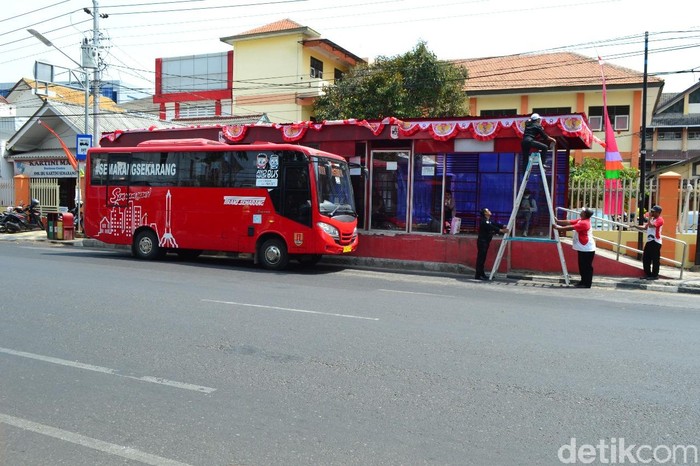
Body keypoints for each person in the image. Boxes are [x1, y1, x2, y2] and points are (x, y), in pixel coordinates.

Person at [553, 207, 596, 288]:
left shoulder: (584, 223)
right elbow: (569, 222)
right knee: (582, 266)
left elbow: (571, 227)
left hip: (587, 248)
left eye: (582, 211)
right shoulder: (581, 220)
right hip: (583, 247)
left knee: (586, 267)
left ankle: (587, 284)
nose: (581, 212)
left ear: (585, 214)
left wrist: (559, 228)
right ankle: (583, 282)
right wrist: (558, 221)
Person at [475, 208, 508, 280]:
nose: (490, 211)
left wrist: (503, 226)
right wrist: (501, 230)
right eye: (488, 211)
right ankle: (478, 275)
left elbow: (494, 224)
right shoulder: (484, 221)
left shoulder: (488, 221)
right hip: (482, 242)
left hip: (486, 242)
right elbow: (491, 227)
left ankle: (481, 274)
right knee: (481, 258)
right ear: (485, 213)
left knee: (483, 258)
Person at [634, 204, 664, 279]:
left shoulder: (660, 220)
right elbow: (645, 227)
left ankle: (655, 275)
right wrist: (635, 226)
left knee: (655, 259)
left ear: (658, 212)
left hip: (656, 242)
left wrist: (649, 217)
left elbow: (651, 226)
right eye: (651, 211)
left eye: (653, 212)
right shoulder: (652, 219)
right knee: (646, 258)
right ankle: (648, 274)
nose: (651, 213)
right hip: (649, 241)